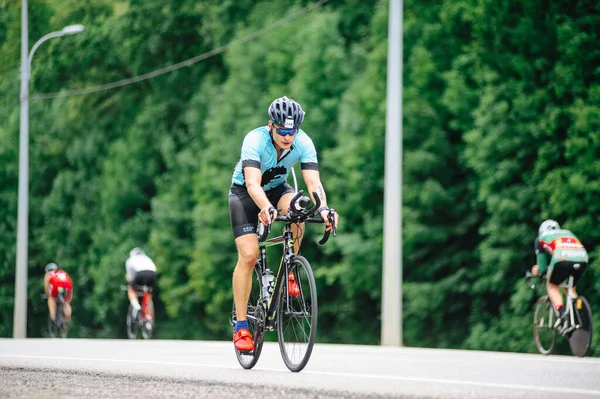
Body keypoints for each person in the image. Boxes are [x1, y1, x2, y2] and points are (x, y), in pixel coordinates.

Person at [228, 96, 339, 351]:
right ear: (271, 125)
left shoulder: (303, 142)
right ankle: (242, 326)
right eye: (283, 131)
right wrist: (265, 206)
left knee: (299, 209)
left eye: (293, 131)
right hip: (244, 193)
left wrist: (323, 208)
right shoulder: (254, 140)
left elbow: (313, 184)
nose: (288, 137)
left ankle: (290, 268)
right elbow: (253, 184)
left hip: (278, 189)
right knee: (249, 255)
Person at [531, 219, 589, 326]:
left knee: (552, 286)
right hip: (582, 258)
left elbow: (542, 267)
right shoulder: (567, 233)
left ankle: (561, 313)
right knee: (570, 287)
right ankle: (579, 308)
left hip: (562, 258)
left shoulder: (541, 238)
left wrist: (537, 270)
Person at [125, 248, 157, 318]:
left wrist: (132, 283)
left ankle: (136, 305)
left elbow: (130, 277)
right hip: (152, 274)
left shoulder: (130, 260)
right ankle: (148, 316)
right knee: (148, 293)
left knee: (131, 289)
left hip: (140, 274)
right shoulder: (147, 258)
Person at [44, 262, 73, 326]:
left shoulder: (49, 274)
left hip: (56, 285)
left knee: (51, 298)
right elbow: (70, 281)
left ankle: (53, 317)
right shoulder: (62, 272)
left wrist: (47, 293)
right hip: (67, 285)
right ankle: (68, 318)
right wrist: (69, 297)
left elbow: (46, 286)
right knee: (66, 303)